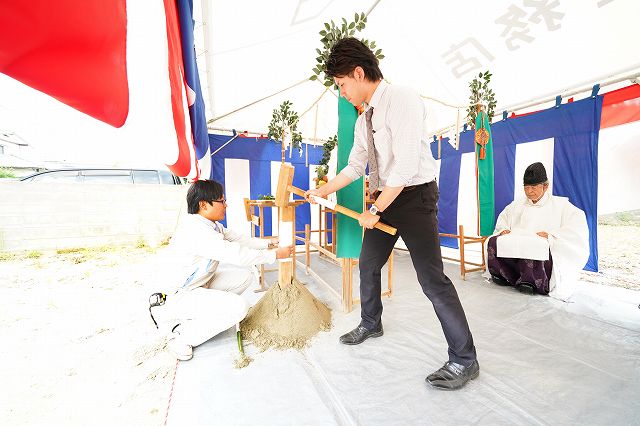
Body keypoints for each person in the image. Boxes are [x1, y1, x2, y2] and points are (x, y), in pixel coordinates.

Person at [305, 37, 478, 390]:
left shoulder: (402, 98)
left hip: (414, 198)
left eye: (342, 85)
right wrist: (323, 190)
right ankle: (371, 322)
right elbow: (355, 166)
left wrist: (374, 208)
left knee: (432, 279)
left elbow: (407, 165)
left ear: (358, 72)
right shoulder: (362, 120)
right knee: (368, 264)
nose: (343, 93)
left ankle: (464, 359)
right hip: (387, 197)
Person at [150, 179, 293, 360]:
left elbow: (238, 239)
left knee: (244, 277)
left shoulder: (211, 225)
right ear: (203, 205)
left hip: (200, 284)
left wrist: (268, 242)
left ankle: (201, 315)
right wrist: (274, 255)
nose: (226, 205)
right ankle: (180, 337)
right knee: (240, 307)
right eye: (221, 201)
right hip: (180, 294)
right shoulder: (196, 230)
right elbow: (236, 254)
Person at [487, 162, 589, 301]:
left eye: (533, 187)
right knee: (494, 241)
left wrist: (552, 235)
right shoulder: (517, 204)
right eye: (526, 187)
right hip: (518, 237)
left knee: (534, 245)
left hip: (539, 243)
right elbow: (504, 217)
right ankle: (503, 275)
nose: (529, 191)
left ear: (545, 186)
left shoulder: (560, 204)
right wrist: (504, 229)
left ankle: (530, 282)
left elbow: (577, 223)